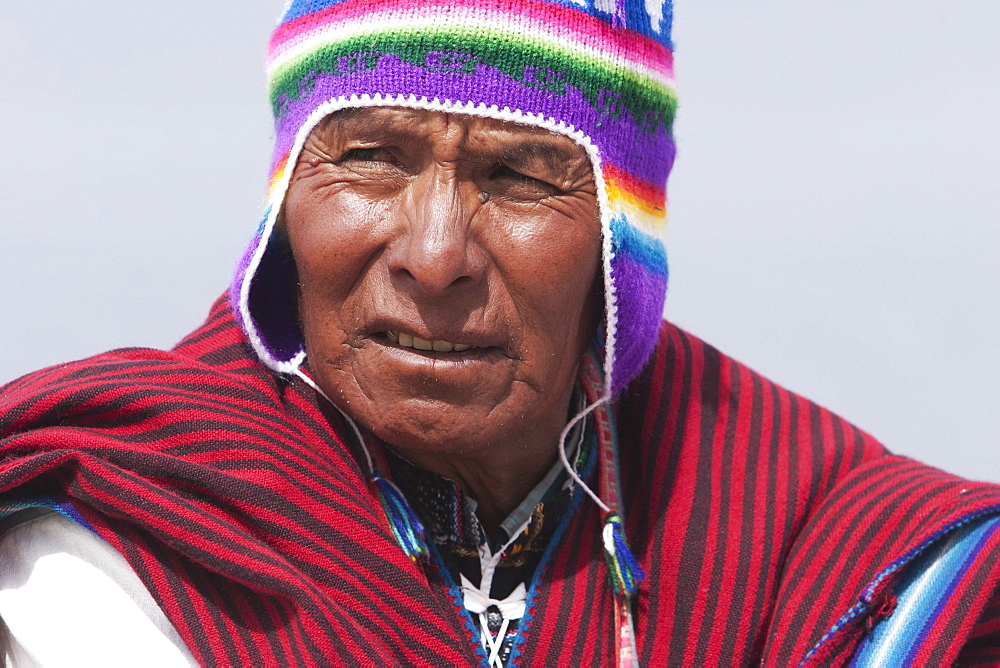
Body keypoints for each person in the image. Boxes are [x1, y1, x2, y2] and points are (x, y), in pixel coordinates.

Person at [2, 1, 1000, 665]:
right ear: (285, 203)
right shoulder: (98, 535)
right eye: (371, 158)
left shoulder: (801, 523)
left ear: (620, 239)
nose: (434, 255)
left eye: (518, 177)